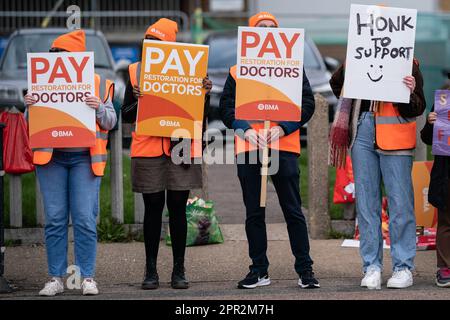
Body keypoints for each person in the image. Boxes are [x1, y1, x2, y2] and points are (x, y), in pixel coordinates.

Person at [220, 12, 319, 289]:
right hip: (249, 147)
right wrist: (246, 129)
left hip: (284, 147)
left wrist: (284, 128)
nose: (267, 31)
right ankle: (259, 270)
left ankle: (305, 269)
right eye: (261, 27)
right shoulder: (237, 71)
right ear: (250, 34)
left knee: (292, 210)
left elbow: (307, 104)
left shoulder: (293, 68)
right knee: (254, 211)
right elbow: (226, 108)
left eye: (272, 27)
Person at [24, 29, 117, 296]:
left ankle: (87, 277)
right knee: (54, 219)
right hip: (51, 158)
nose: (54, 59)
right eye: (52, 54)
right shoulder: (42, 79)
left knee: (85, 219)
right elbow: (31, 126)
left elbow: (111, 121)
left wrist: (98, 106)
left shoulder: (99, 83)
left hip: (84, 160)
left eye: (59, 54)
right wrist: (30, 106)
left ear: (75, 57)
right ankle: (55, 278)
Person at [121, 18, 212, 290]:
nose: (152, 46)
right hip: (148, 149)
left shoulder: (190, 70)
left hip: (180, 148)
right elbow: (126, 116)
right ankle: (150, 271)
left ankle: (178, 270)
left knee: (177, 209)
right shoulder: (136, 72)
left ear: (170, 45)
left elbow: (200, 117)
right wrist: (137, 99)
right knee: (152, 210)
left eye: (158, 42)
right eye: (149, 41)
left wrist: (204, 95)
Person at [329, 59, 426, 289]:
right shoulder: (358, 55)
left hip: (396, 135)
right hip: (361, 131)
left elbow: (418, 106)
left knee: (400, 202)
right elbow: (336, 84)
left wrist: (410, 92)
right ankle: (371, 266)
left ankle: (403, 267)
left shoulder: (408, 61)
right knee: (366, 203)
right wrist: (350, 70)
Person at [420, 76, 450, 288]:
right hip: (446, 175)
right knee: (446, 222)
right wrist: (431, 123)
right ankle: (445, 268)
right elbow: (427, 138)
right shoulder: (442, 101)